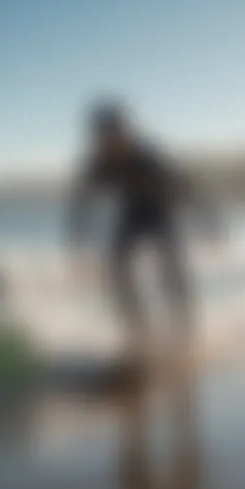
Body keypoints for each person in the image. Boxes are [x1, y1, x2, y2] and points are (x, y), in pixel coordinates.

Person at [66, 101, 220, 360]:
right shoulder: (97, 164)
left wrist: (210, 223)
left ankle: (186, 333)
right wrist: (76, 248)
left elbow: (187, 185)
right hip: (134, 213)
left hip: (162, 211)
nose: (108, 142)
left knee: (171, 273)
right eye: (101, 137)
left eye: (113, 134)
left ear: (123, 132)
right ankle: (139, 335)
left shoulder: (147, 156)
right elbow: (81, 206)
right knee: (116, 270)